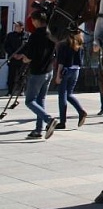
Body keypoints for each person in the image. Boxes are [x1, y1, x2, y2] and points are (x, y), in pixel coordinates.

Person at [14, 9, 57, 139]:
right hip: (49, 71)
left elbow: (30, 56)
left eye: (32, 20)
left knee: (30, 101)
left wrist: (24, 58)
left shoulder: (36, 35)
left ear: (37, 20)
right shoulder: (51, 33)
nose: (32, 22)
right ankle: (38, 130)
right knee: (40, 100)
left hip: (38, 72)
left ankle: (48, 120)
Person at [54, 31, 87, 130]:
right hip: (76, 70)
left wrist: (58, 75)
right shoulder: (80, 45)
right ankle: (81, 111)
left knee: (62, 95)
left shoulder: (64, 44)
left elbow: (60, 61)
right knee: (69, 94)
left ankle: (62, 122)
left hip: (66, 70)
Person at [4, 21, 28, 96]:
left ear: (22, 27)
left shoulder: (26, 35)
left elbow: (29, 47)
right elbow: (6, 46)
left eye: (17, 26)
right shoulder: (10, 35)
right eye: (15, 26)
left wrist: (22, 55)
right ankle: (10, 91)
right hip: (13, 58)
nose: (15, 27)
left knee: (22, 75)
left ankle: (21, 91)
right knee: (11, 75)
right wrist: (13, 54)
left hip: (23, 59)